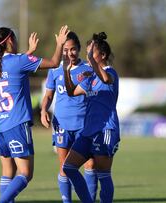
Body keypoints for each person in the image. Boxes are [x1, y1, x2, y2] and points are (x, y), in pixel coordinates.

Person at [0, 25, 69, 203]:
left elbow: (16, 64)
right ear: (9, 40)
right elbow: (54, 63)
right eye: (14, 39)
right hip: (17, 124)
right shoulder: (20, 60)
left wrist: (29, 52)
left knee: (7, 171)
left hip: (0, 125)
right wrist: (60, 44)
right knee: (25, 173)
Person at [62, 32, 120, 203]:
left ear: (102, 55)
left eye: (90, 52)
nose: (87, 57)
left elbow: (105, 79)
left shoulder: (111, 73)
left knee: (103, 174)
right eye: (87, 52)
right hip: (88, 131)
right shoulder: (90, 76)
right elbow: (72, 91)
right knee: (69, 167)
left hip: (105, 130)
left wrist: (92, 64)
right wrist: (66, 69)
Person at [40, 31, 98, 203]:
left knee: (90, 165)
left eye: (73, 49)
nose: (69, 53)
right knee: (64, 167)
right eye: (65, 50)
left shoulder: (87, 70)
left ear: (79, 49)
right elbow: (49, 95)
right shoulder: (54, 70)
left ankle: (89, 200)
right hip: (62, 125)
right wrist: (43, 110)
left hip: (83, 125)